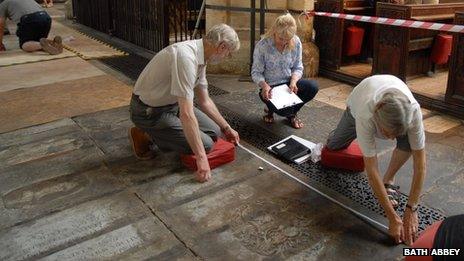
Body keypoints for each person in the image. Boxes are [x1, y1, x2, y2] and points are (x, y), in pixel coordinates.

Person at [129, 23, 241, 183]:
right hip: (149, 111)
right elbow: (187, 113)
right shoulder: (186, 57)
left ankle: (166, 134)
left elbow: (205, 101)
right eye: (228, 54)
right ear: (221, 47)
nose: (226, 58)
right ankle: (146, 134)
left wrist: (227, 128)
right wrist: (202, 159)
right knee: (206, 145)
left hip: (171, 105)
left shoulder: (201, 57)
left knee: (215, 132)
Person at [327, 74, 426, 245]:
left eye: (395, 134)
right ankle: (336, 136)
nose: (390, 139)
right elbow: (371, 170)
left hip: (392, 97)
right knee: (334, 145)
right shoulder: (365, 113)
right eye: (388, 133)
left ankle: (388, 180)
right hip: (357, 104)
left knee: (409, 143)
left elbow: (420, 164)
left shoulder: (414, 112)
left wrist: (412, 207)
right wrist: (393, 218)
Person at [251, 13, 318, 129]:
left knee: (313, 87)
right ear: (274, 31)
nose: (284, 42)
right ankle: (272, 109)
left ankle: (291, 113)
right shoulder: (262, 46)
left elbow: (298, 66)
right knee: (283, 111)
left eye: (287, 39)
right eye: (281, 38)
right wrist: (264, 85)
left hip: (288, 84)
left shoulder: (296, 42)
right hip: (270, 87)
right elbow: (256, 72)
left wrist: (293, 81)